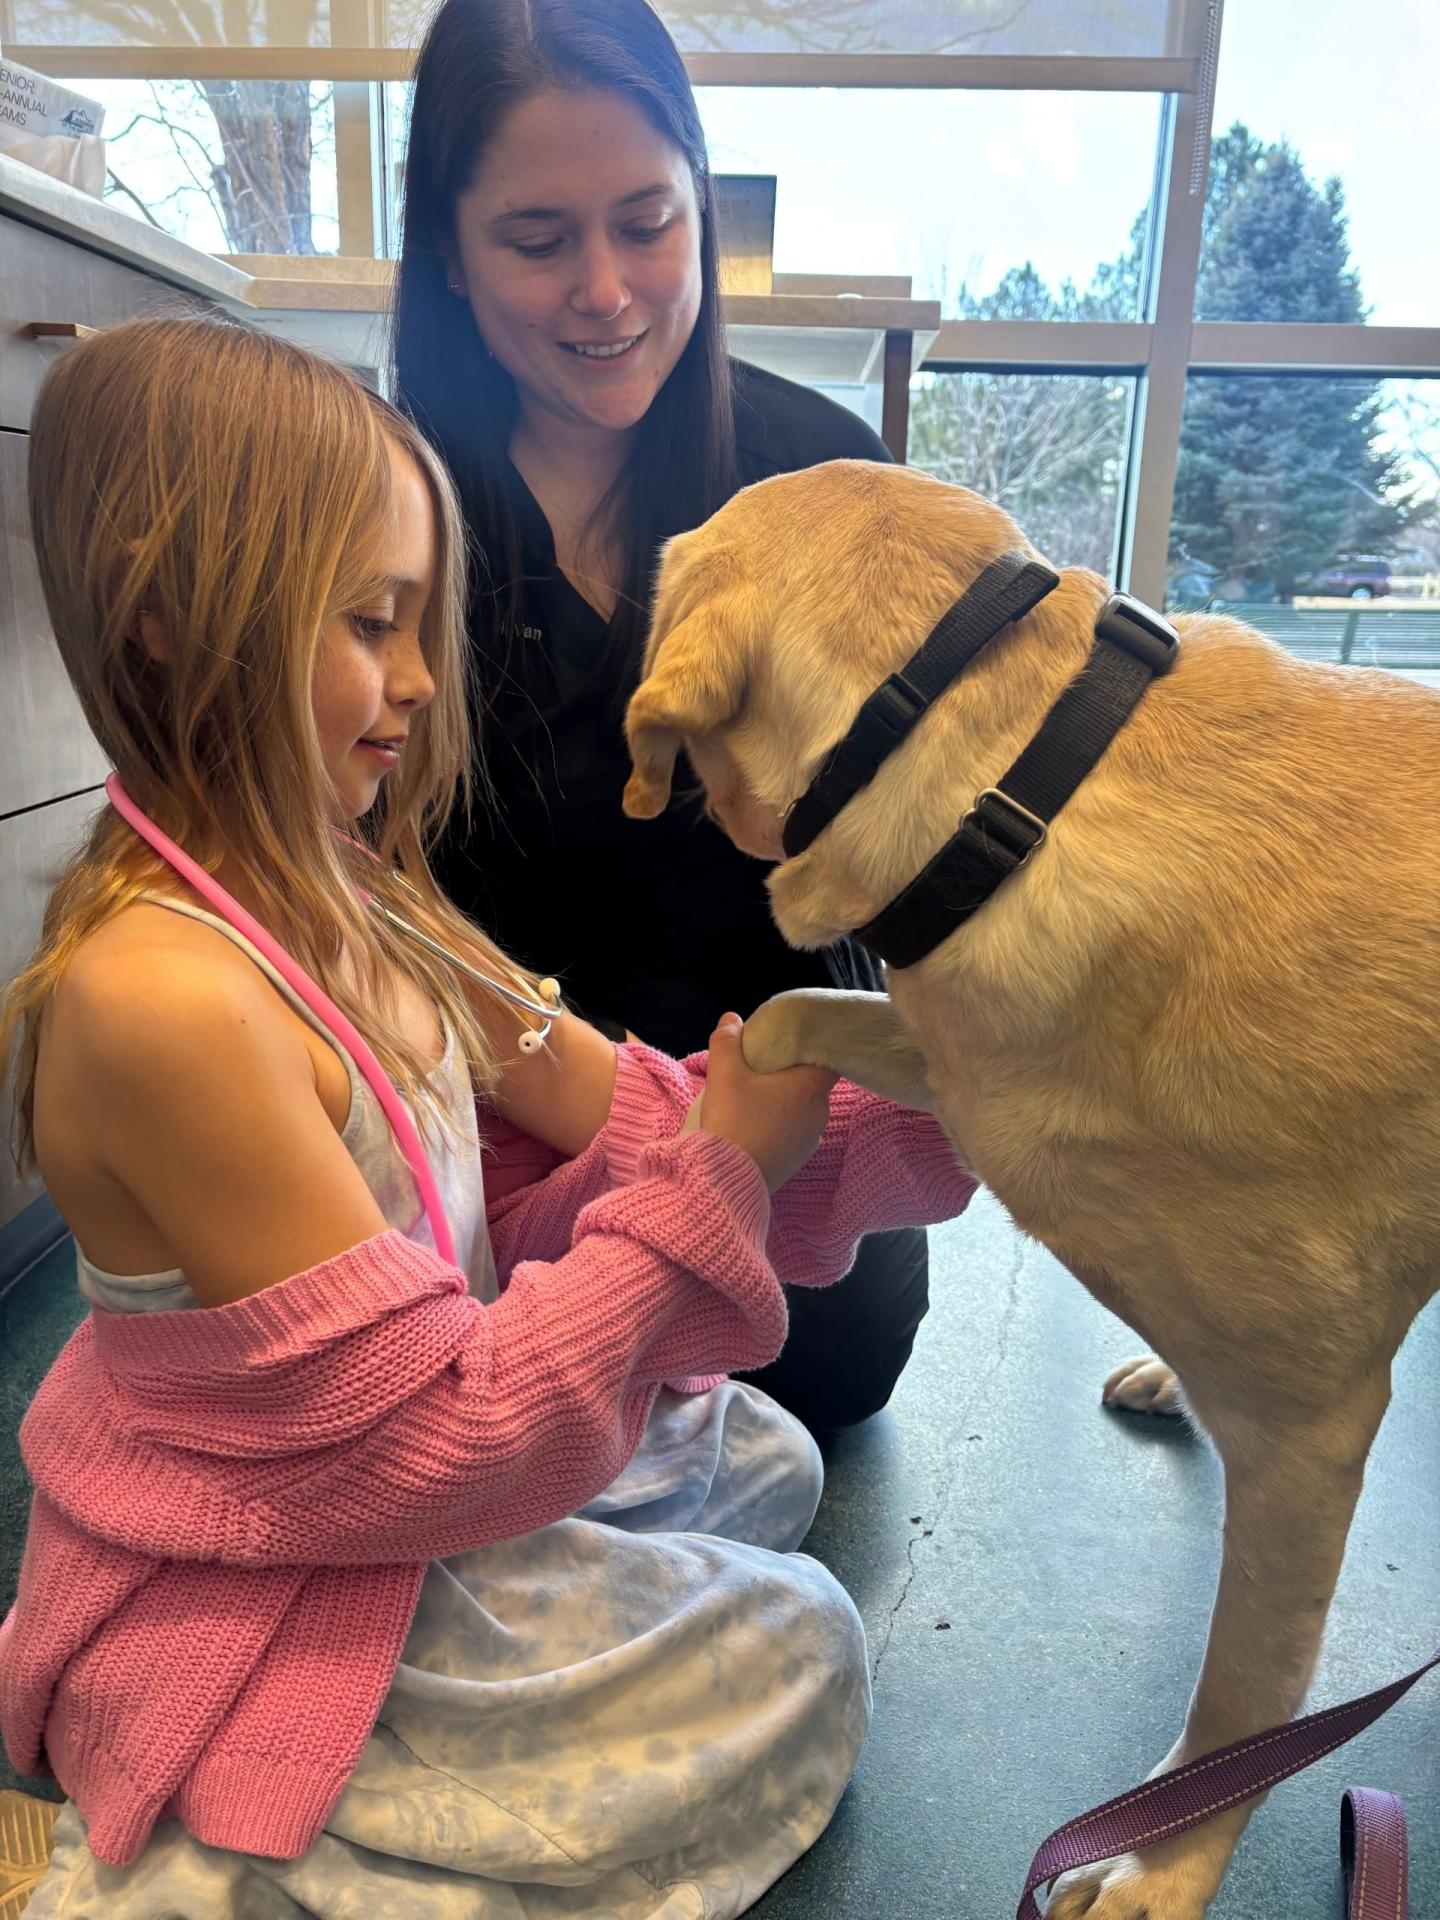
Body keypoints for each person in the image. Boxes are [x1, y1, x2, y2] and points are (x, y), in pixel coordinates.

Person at [0, 316, 978, 1919]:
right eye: (370, 621)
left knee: (758, 1453)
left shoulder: (364, 898)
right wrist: (731, 1168)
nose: (411, 682)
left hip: (390, 1465)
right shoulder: (160, 1004)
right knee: (801, 1650)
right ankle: (197, 1860)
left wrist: (950, 1109)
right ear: (171, 609)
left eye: (420, 624)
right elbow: (442, 1441)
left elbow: (610, 1138)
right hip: (279, 1561)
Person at [391, 0, 932, 1434]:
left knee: (831, 1364)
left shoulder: (821, 478)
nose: (606, 289)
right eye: (538, 239)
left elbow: (916, 835)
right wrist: (619, 1128)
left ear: (706, 211)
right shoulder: (387, 503)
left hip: (771, 1085)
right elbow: (348, 884)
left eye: (648, 223)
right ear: (449, 250)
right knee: (481, 1378)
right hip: (490, 1092)